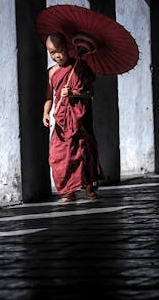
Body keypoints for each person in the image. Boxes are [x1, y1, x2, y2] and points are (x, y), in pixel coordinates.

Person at [42, 31, 102, 203]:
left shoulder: (80, 67)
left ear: (67, 48)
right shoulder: (51, 72)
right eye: (52, 52)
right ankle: (68, 191)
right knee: (58, 156)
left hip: (78, 119)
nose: (57, 55)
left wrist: (75, 93)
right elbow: (49, 96)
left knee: (82, 153)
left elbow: (90, 92)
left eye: (59, 50)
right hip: (61, 120)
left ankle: (89, 186)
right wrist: (45, 113)